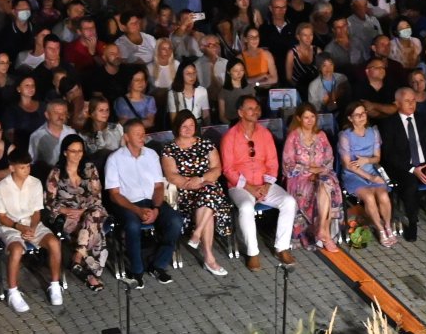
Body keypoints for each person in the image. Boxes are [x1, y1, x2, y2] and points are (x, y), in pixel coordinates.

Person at [220, 95, 297, 269]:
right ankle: (253, 252)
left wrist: (267, 185)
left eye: (257, 108)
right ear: (240, 112)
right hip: (240, 186)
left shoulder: (265, 134)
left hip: (264, 183)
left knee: (289, 202)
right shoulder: (230, 137)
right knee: (247, 207)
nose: (255, 111)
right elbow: (228, 170)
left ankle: (282, 247)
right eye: (250, 108)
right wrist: (250, 188)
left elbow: (272, 163)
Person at [103, 120, 183, 285]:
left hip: (151, 200)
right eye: (137, 134)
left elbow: (159, 186)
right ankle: (136, 270)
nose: (142, 137)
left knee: (175, 220)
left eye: (143, 133)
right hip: (128, 203)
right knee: (132, 226)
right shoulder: (114, 159)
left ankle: (158, 264)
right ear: (126, 137)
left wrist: (156, 208)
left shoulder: (151, 155)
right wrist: (137, 210)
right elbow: (114, 194)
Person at [0, 151, 63, 310]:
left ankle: (55, 285)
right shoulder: (0, 188)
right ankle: (13, 292)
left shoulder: (35, 183)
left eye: (28, 166)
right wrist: (19, 227)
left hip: (32, 224)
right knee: (16, 250)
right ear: (12, 168)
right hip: (10, 227)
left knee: (54, 243)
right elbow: (1, 217)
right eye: (22, 167)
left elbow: (36, 212)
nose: (26, 170)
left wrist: (32, 227)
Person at [161, 112, 231, 276]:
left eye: (191, 125)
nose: (188, 129)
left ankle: (199, 237)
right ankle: (208, 256)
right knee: (209, 197)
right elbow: (172, 176)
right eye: (184, 126)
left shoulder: (206, 144)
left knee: (208, 194)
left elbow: (217, 169)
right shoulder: (169, 149)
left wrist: (199, 179)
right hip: (185, 194)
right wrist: (195, 184)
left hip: (206, 189)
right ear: (177, 127)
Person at [378, 86, 426, 242]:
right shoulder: (389, 123)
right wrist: (413, 169)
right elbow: (389, 154)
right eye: (407, 101)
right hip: (404, 168)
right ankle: (413, 223)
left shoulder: (423, 119)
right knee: (410, 186)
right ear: (397, 103)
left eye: (413, 100)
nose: (411, 104)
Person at [45, 135, 108, 291]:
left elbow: (97, 196)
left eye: (80, 151)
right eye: (73, 151)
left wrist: (83, 211)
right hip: (69, 216)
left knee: (94, 215)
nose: (77, 154)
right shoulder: (56, 173)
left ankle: (78, 257)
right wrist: (66, 210)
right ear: (65, 152)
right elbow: (48, 201)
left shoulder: (89, 169)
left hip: (89, 211)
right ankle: (90, 273)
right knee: (95, 229)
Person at [281, 105, 340, 251]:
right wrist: (308, 170)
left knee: (326, 183)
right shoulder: (293, 137)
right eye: (306, 117)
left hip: (321, 173)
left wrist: (320, 171)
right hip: (299, 178)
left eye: (312, 117)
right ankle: (324, 234)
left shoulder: (321, 135)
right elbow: (287, 165)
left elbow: (329, 159)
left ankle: (322, 230)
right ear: (299, 118)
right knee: (322, 185)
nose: (310, 120)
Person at [336, 100, 396, 245]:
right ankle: (379, 228)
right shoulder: (345, 136)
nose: (362, 117)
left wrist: (366, 161)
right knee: (369, 197)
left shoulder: (373, 132)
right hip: (354, 174)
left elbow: (377, 157)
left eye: (363, 113)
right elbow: (347, 164)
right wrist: (371, 177)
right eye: (357, 115)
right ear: (350, 118)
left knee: (383, 195)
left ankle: (387, 225)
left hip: (371, 169)